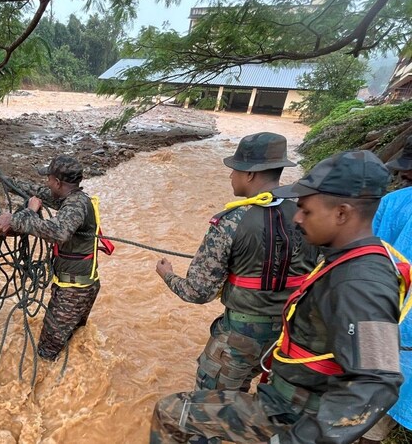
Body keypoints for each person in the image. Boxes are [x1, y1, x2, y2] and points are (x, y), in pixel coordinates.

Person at [150, 150, 402, 444]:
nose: (297, 217)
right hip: (285, 378)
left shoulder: (362, 283)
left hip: (294, 411)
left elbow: (377, 379)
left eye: (306, 211)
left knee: (173, 414)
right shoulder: (345, 258)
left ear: (342, 213)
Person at [154, 132, 319, 392]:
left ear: (250, 174)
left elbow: (198, 292)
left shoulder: (230, 221)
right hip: (287, 336)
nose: (231, 176)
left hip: (240, 337)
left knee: (209, 409)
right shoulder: (307, 215)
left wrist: (168, 275)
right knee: (243, 399)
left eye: (234, 170)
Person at [0, 155, 112, 361]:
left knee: (46, 352)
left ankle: (48, 387)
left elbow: (59, 232)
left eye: (49, 178)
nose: (47, 182)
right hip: (79, 287)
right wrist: (5, 179)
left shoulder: (75, 206)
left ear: (58, 182)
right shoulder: (71, 197)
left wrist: (18, 218)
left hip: (73, 293)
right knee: (72, 339)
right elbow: (38, 192)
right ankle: (75, 375)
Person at [363, 137, 412, 442]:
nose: (401, 177)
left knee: (367, 408)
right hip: (392, 331)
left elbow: (368, 266)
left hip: (385, 328)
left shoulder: (394, 204)